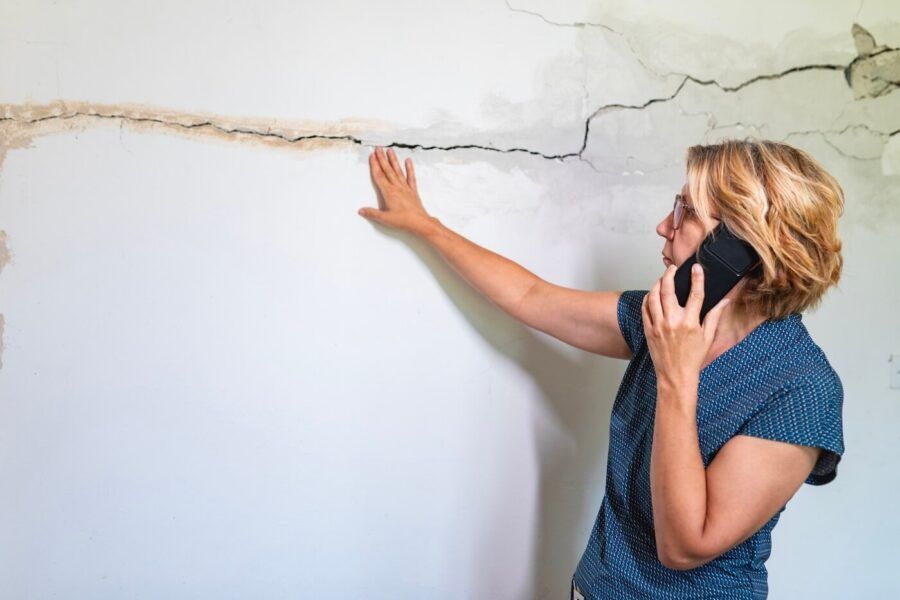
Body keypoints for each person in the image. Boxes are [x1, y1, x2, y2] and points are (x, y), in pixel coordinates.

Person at [358, 139, 846, 599]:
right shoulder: (659, 319)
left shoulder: (802, 388)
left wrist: (678, 377)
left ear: (741, 247)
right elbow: (531, 297)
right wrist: (425, 225)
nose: (663, 225)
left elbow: (685, 545)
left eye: (686, 212)